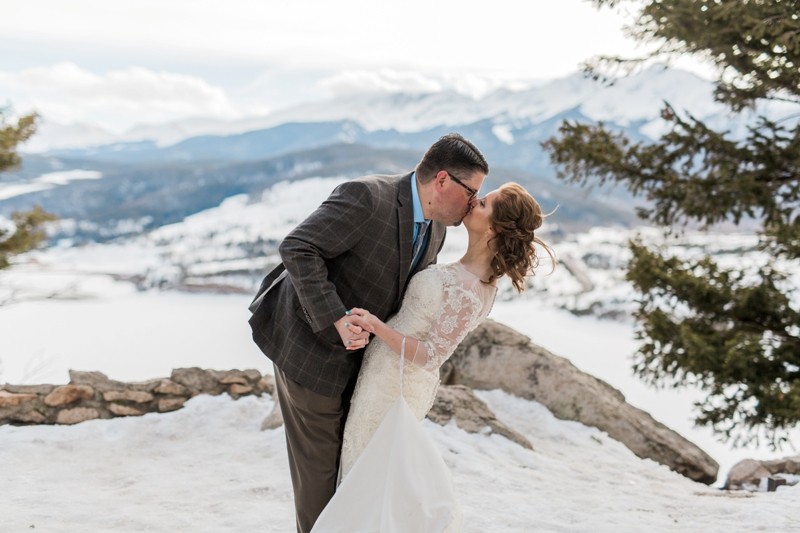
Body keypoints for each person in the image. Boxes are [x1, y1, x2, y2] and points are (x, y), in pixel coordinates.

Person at [248, 133, 489, 533]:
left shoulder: (438, 229)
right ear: (443, 181)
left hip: (364, 369)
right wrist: (336, 317)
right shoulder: (367, 197)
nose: (472, 204)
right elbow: (298, 248)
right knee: (321, 487)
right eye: (471, 192)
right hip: (310, 352)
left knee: (353, 477)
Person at [314, 182, 555, 532]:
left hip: (395, 386)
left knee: (369, 476)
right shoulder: (463, 272)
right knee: (366, 474)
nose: (475, 200)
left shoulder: (472, 290)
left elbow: (430, 356)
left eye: (484, 203)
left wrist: (378, 327)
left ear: (496, 227)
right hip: (382, 373)